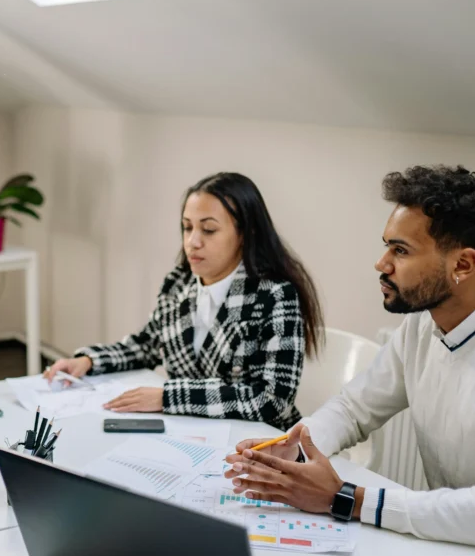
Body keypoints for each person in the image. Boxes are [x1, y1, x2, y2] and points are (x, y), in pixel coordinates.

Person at [227, 165, 475, 551]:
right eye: (387, 246)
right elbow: (354, 408)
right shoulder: (421, 327)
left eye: (400, 250)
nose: (381, 264)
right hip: (454, 546)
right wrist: (296, 446)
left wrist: (347, 499)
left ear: (463, 265)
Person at [45, 172, 323, 430]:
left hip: (260, 446)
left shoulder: (276, 294)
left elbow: (273, 401)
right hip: (188, 432)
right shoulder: (179, 281)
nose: (192, 242)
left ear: (246, 234)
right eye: (187, 227)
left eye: (209, 230)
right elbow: (149, 345)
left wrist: (169, 397)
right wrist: (89, 361)